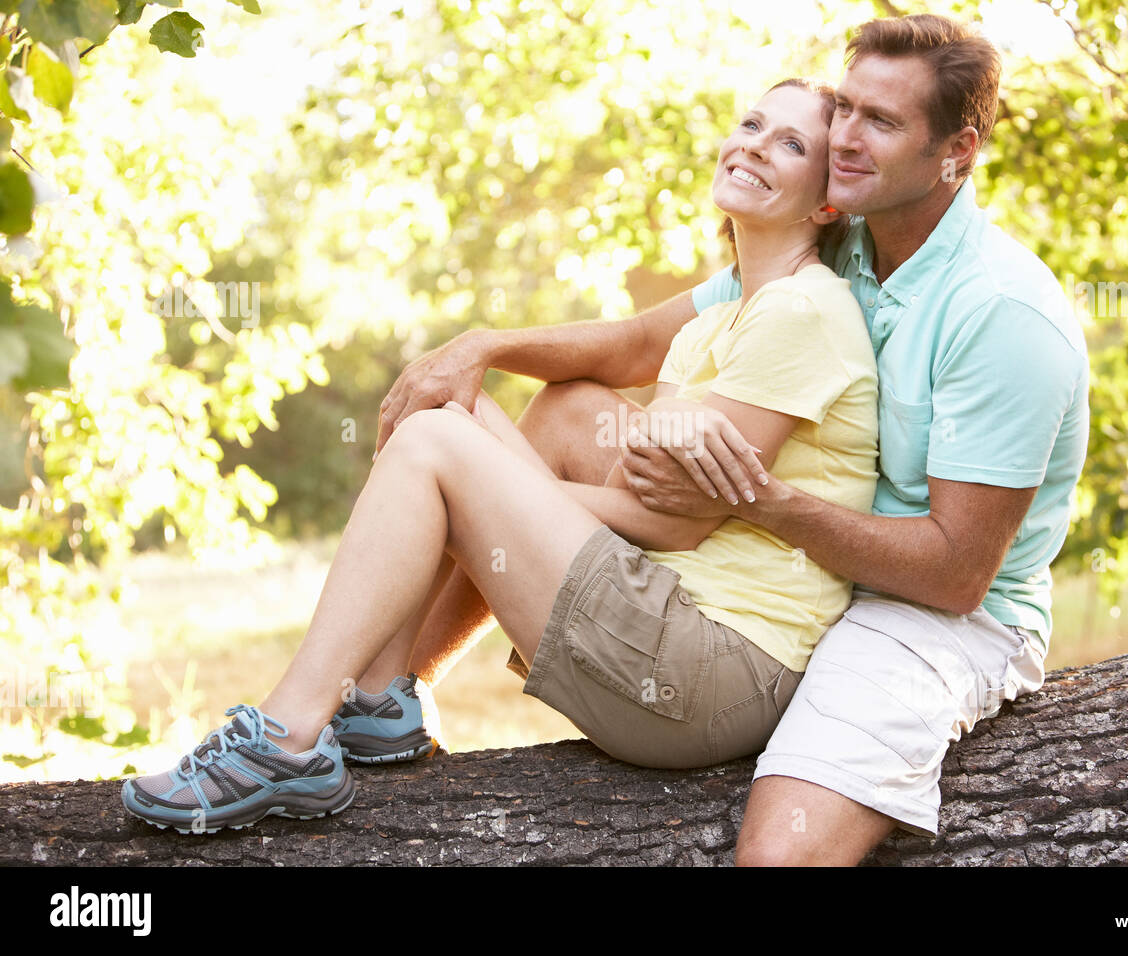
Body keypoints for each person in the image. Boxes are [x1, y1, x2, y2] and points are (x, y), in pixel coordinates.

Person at [374, 13, 1089, 866]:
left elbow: (956, 572)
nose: (846, 139)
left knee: (777, 855)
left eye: (882, 123)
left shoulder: (1001, 315)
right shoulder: (843, 241)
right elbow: (642, 343)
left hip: (934, 614)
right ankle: (388, 700)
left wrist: (761, 503)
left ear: (959, 151)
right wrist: (484, 348)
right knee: (569, 410)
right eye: (848, 109)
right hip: (810, 561)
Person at [119, 79, 880, 833]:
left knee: (438, 444)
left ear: (826, 204)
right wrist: (496, 476)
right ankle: (380, 697)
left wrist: (486, 490)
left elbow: (675, 526)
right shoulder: (715, 321)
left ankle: (284, 741)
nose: (753, 143)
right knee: (480, 408)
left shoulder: (800, 310)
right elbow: (642, 491)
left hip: (714, 674)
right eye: (752, 122)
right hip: (676, 620)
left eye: (789, 143)